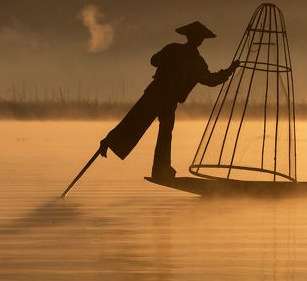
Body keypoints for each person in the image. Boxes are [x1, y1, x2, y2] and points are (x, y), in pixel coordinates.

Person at [99, 21, 240, 181]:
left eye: (200, 38)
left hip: (169, 100)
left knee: (163, 132)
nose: (199, 40)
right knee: (136, 120)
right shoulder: (179, 52)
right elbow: (155, 60)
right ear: (191, 37)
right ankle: (109, 142)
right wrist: (173, 60)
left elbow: (210, 80)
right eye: (198, 37)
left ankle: (161, 169)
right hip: (156, 93)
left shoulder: (194, 60)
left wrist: (229, 70)